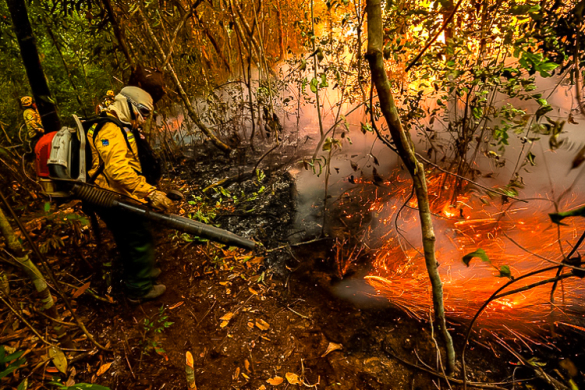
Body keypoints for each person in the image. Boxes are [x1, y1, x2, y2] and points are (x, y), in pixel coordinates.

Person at [87, 86, 174, 303]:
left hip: (114, 193)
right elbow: (118, 172)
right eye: (143, 112)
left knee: (130, 236)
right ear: (127, 104)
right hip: (110, 196)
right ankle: (140, 288)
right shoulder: (110, 130)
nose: (144, 119)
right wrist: (150, 193)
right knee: (137, 235)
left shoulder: (115, 124)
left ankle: (145, 272)